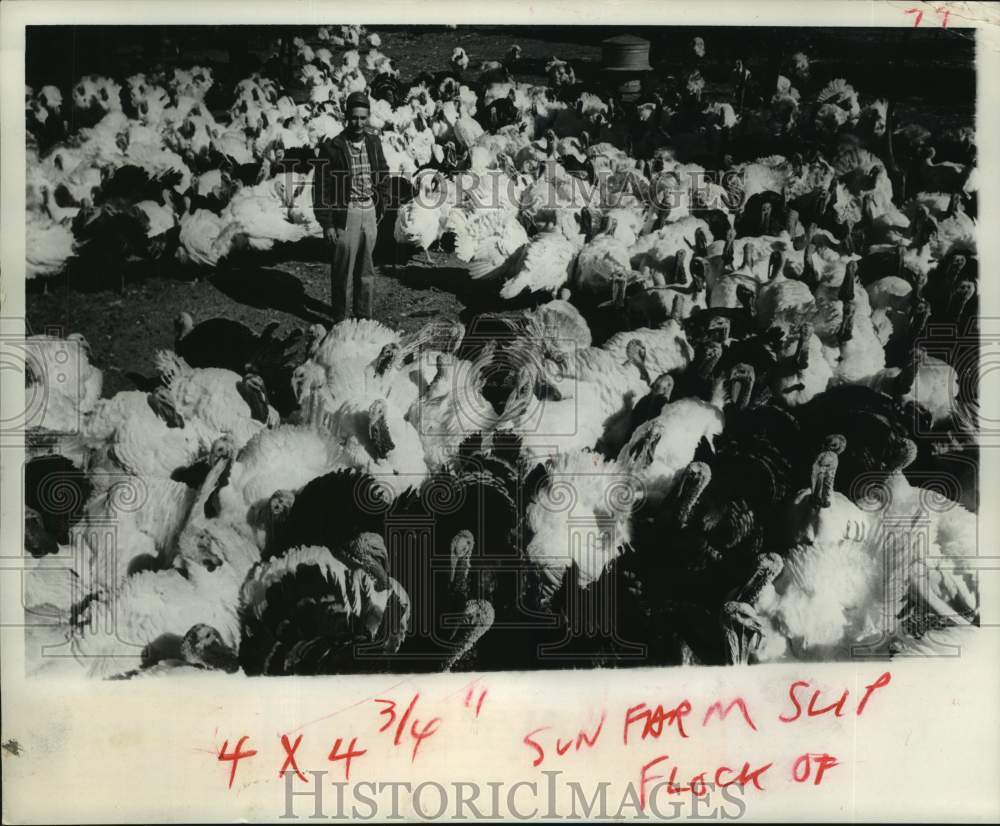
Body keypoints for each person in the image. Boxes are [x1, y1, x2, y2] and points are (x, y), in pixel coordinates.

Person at [313, 91, 389, 322]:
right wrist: (327, 224)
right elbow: (321, 188)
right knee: (343, 271)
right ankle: (341, 320)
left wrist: (381, 203)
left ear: (368, 118)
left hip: (369, 211)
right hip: (345, 214)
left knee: (366, 270)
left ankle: (363, 318)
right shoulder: (333, 148)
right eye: (354, 118)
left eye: (363, 118)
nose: (359, 123)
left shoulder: (374, 143)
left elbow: (384, 173)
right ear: (346, 117)